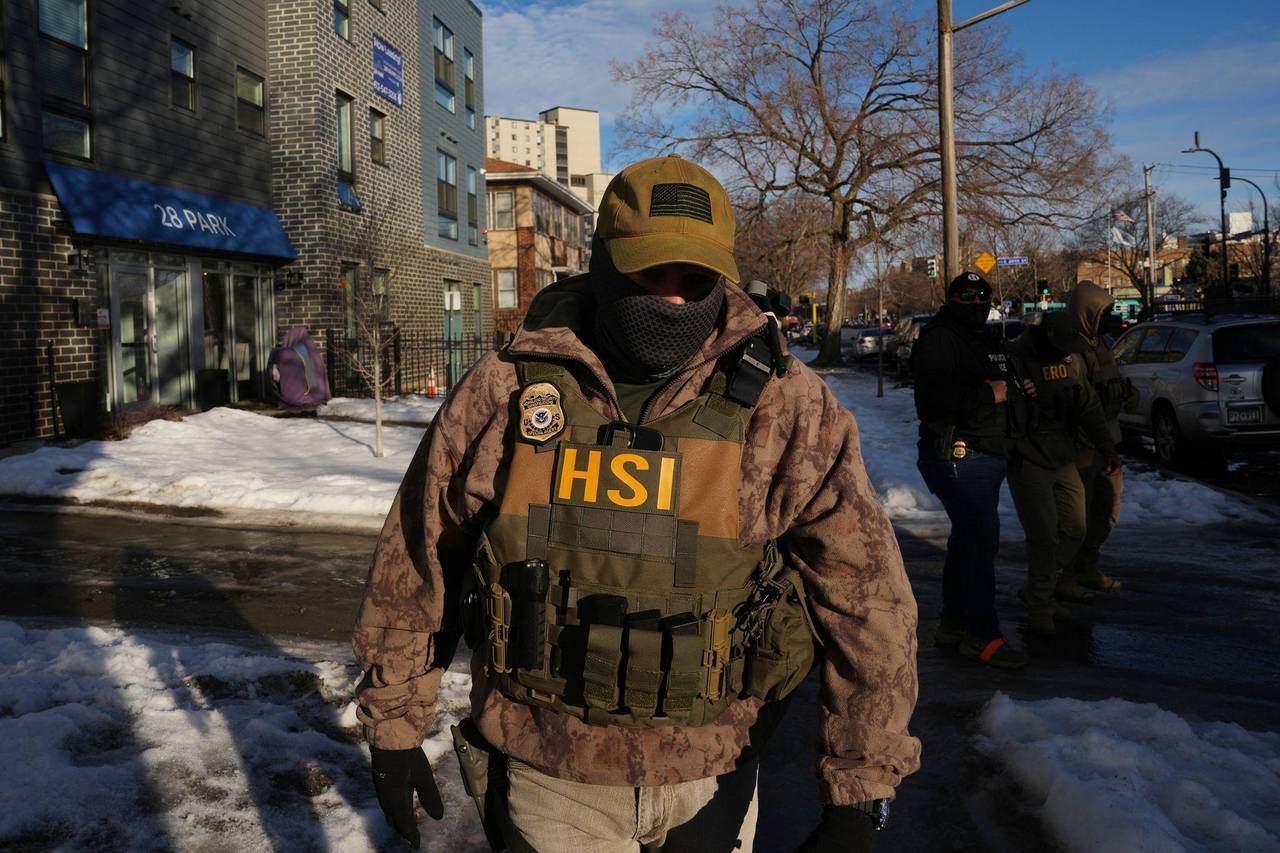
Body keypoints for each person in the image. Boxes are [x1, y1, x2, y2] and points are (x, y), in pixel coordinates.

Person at [352, 154, 921, 852]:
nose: (675, 301)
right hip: (549, 772)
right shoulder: (510, 387)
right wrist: (394, 724)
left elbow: (866, 594)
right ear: (604, 266)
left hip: (712, 772)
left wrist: (862, 788)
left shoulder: (783, 402)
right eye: (651, 274)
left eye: (696, 280)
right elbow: (421, 555)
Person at [911, 272, 1029, 669]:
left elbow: (1002, 382)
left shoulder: (983, 338)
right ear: (951, 299)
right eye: (966, 295)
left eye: (982, 296)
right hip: (960, 453)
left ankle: (954, 625)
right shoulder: (939, 339)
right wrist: (988, 394)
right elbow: (932, 400)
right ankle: (982, 635)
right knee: (979, 543)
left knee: (969, 542)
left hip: (988, 451)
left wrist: (1018, 389)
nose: (976, 303)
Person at [1005, 312, 1122, 635]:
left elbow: (1088, 405)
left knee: (1074, 529)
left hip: (1063, 455)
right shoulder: (1014, 359)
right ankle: (1040, 606)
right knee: (1043, 537)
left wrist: (1107, 447)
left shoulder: (1069, 360)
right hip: (1028, 458)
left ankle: (1037, 589)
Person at [1059, 281, 1126, 595]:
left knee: (1106, 512)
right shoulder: (1071, 350)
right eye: (1103, 312)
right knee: (1077, 519)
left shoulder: (1101, 345)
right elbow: (1077, 401)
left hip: (1107, 443)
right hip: (1083, 448)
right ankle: (1065, 577)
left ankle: (1087, 566)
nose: (1109, 318)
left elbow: (1110, 385)